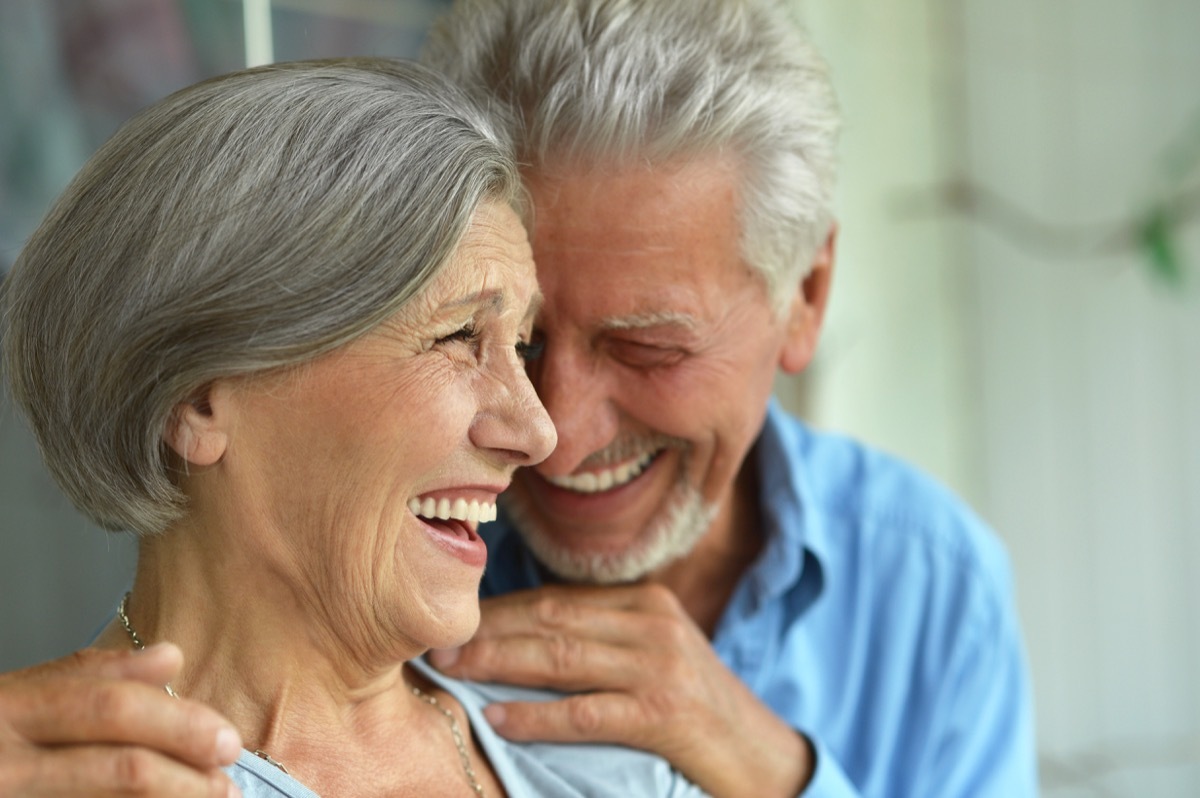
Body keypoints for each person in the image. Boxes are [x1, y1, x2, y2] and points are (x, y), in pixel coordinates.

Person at [0, 56, 711, 798]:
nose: (538, 432)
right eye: (459, 335)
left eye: (520, 347)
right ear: (199, 399)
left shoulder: (608, 762)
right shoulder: (48, 777)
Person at [413, 1, 1040, 796]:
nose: (558, 435)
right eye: (511, 342)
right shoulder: (372, 551)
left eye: (649, 349)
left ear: (805, 297)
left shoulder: (930, 583)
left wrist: (771, 768)